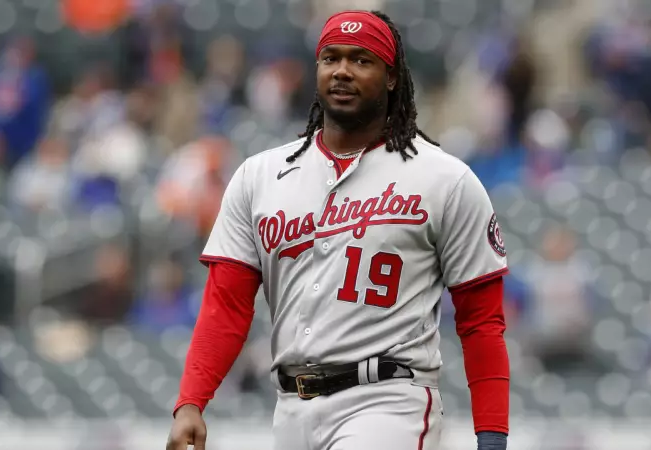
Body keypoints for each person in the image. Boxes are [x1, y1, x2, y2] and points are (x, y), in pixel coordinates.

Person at [166, 10, 510, 450]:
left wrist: (492, 438)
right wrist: (191, 401)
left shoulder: (444, 179)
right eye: (331, 58)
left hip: (387, 403)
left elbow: (481, 322)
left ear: (391, 77)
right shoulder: (260, 176)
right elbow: (226, 305)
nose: (342, 70)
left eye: (361, 60)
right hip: (291, 407)